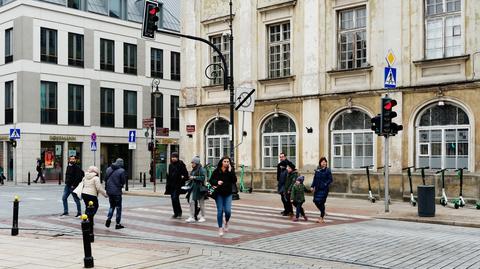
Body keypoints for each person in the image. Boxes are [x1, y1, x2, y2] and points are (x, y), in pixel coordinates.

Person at [209, 156, 237, 236]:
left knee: (228, 211)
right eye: (225, 161)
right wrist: (217, 182)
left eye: (228, 162)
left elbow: (234, 181)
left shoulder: (230, 171)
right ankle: (220, 228)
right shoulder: (217, 171)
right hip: (219, 194)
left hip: (228, 193)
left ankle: (226, 222)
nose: (226, 163)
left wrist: (231, 171)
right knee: (220, 211)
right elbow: (211, 181)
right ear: (222, 162)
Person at [105, 158, 127, 229]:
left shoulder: (108, 169)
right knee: (118, 208)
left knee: (111, 206)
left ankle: (108, 219)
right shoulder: (121, 171)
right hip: (117, 192)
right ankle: (117, 224)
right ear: (121, 163)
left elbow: (105, 179)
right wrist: (120, 185)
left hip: (109, 191)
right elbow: (123, 181)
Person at [165, 152, 189, 219]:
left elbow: (186, 175)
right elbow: (169, 175)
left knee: (175, 198)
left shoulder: (181, 164)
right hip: (172, 185)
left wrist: (183, 177)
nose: (173, 158)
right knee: (173, 199)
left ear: (177, 157)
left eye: (174, 157)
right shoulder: (170, 165)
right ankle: (176, 213)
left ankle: (179, 212)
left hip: (178, 185)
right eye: (172, 157)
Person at [311, 157, 333, 223]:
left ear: (326, 163)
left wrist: (325, 184)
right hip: (317, 188)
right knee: (315, 201)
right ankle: (323, 211)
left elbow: (330, 179)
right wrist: (312, 186)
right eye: (322, 162)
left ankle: (321, 217)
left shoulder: (328, 170)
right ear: (320, 163)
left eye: (325, 162)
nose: (324, 163)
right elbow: (315, 179)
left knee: (322, 202)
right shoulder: (317, 170)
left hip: (324, 189)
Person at [185, 156, 207, 223]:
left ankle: (203, 216)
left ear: (196, 163)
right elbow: (191, 178)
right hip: (193, 188)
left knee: (201, 203)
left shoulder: (202, 169)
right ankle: (192, 217)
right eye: (192, 163)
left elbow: (203, 178)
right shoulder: (193, 169)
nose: (192, 164)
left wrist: (194, 177)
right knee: (191, 201)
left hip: (200, 188)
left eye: (193, 163)